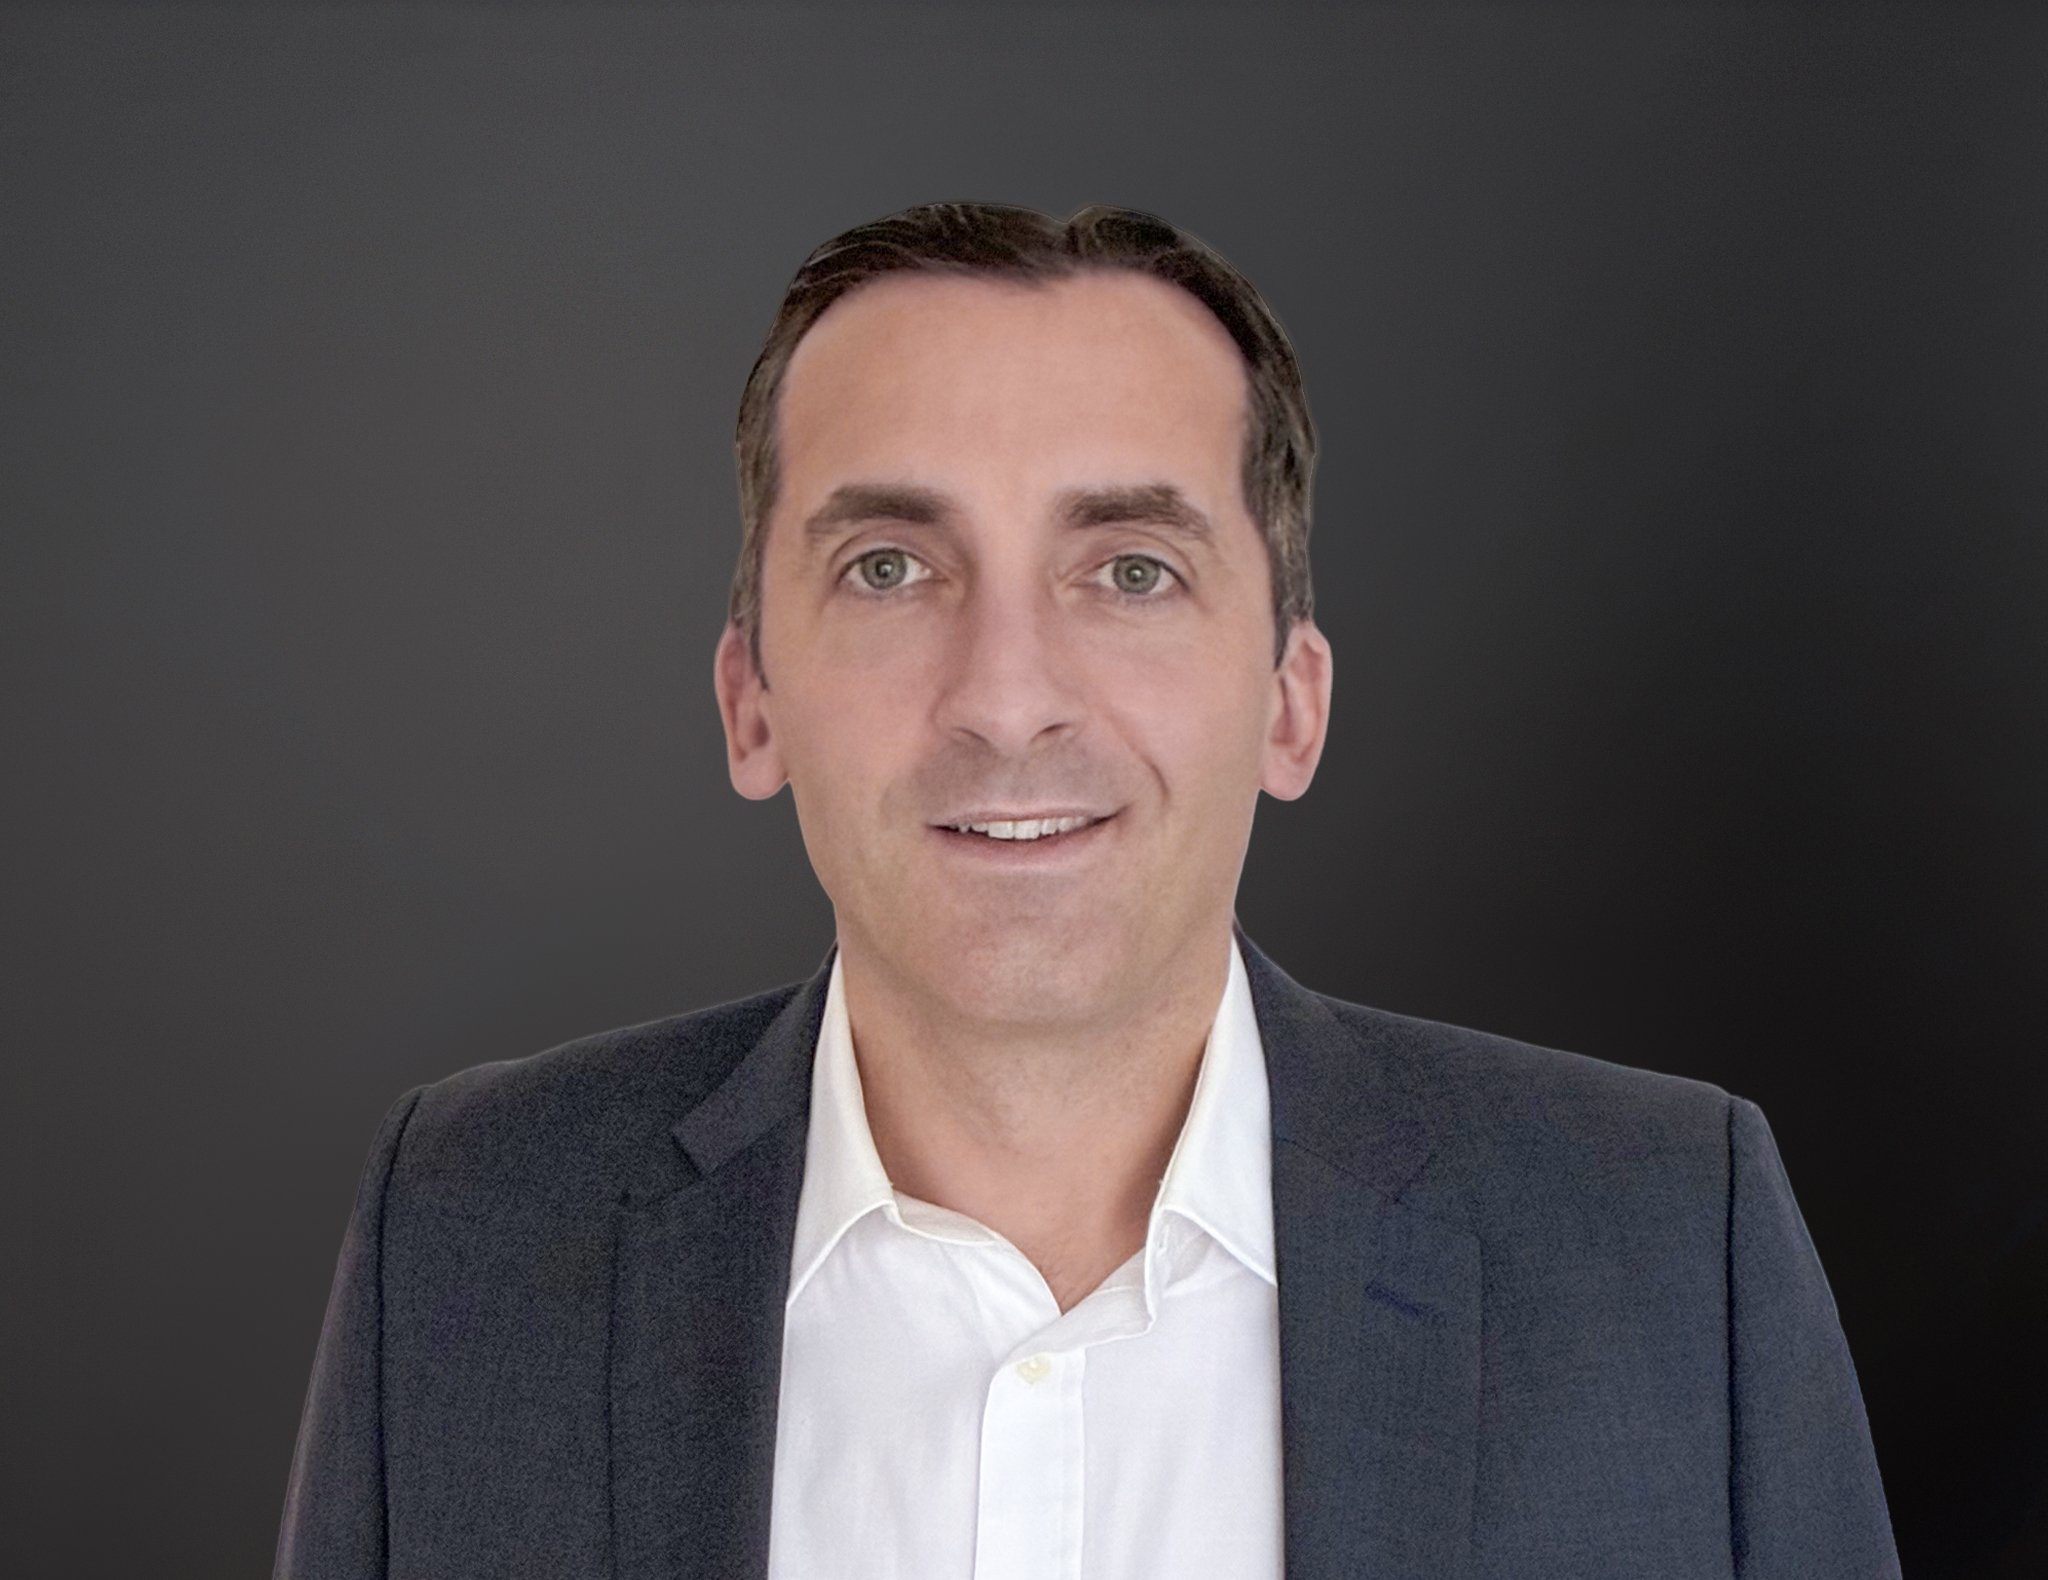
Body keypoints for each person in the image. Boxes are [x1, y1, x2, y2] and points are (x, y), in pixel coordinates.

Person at [274, 201, 1899, 1579]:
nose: (1005, 698)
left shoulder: (1675, 1246)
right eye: (890, 567)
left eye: (1131, 570)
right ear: (749, 698)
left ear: (1291, 699)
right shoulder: (469, 1235)